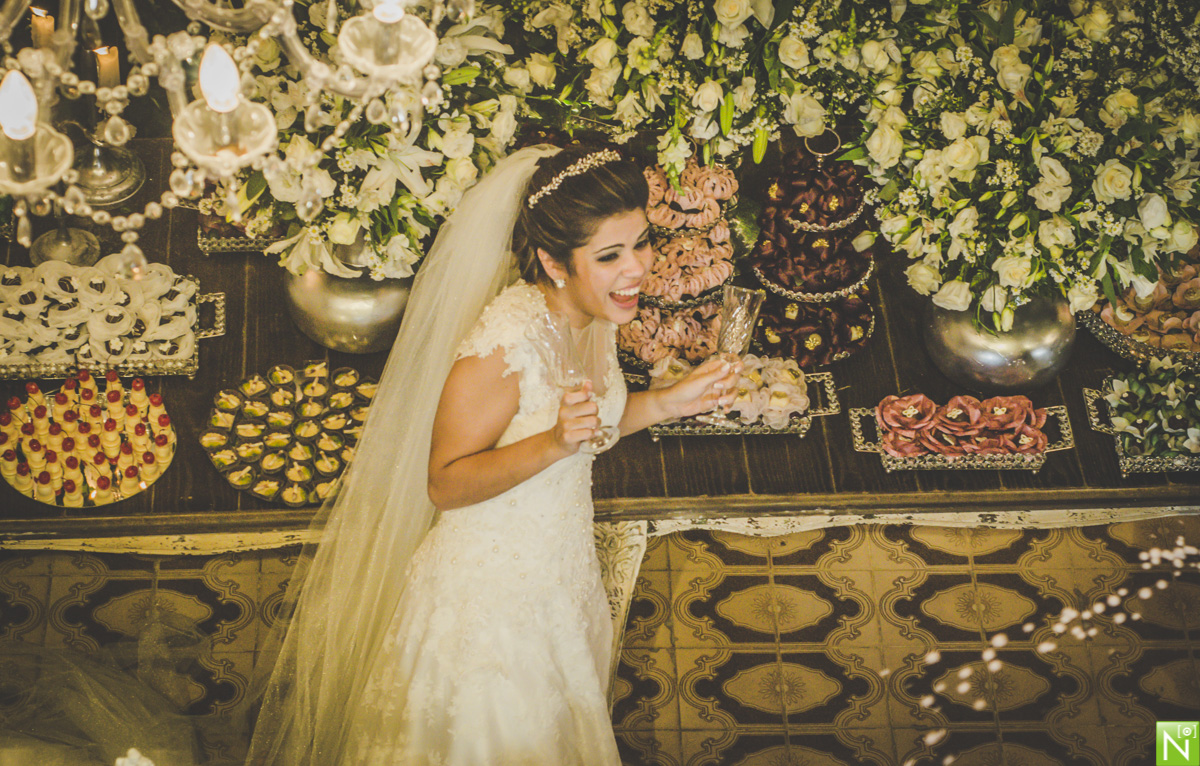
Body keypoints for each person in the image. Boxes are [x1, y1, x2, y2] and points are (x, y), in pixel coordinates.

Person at [246, 145, 739, 765]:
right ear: (553, 263)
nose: (638, 268)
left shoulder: (595, 311)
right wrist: (552, 442)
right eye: (610, 256)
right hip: (489, 602)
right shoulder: (504, 345)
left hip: (560, 566)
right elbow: (446, 484)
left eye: (640, 242)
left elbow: (596, 423)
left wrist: (669, 403)